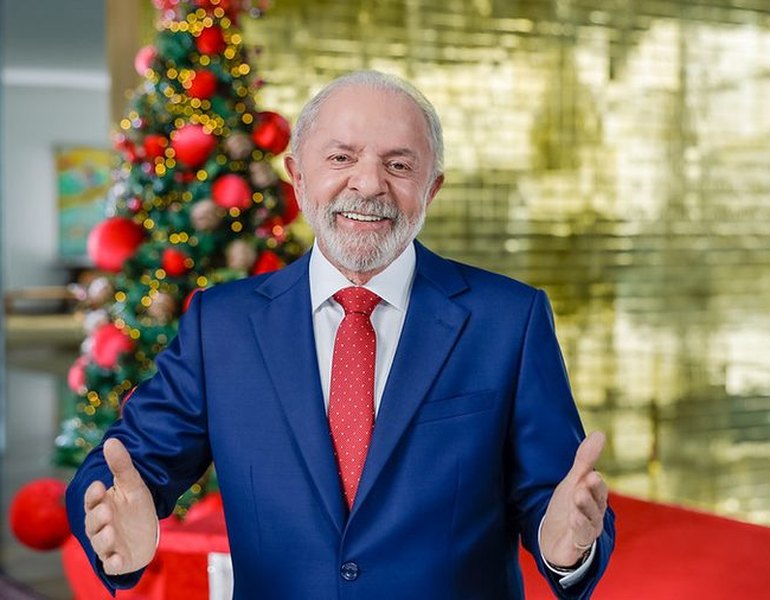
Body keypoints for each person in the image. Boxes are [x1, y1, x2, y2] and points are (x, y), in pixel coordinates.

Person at [67, 70, 615, 599]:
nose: (369, 184)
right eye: (341, 158)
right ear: (297, 175)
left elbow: (557, 498)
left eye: (399, 165)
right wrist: (111, 521)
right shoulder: (222, 325)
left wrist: (565, 546)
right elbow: (124, 466)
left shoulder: (510, 319)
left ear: (432, 189)